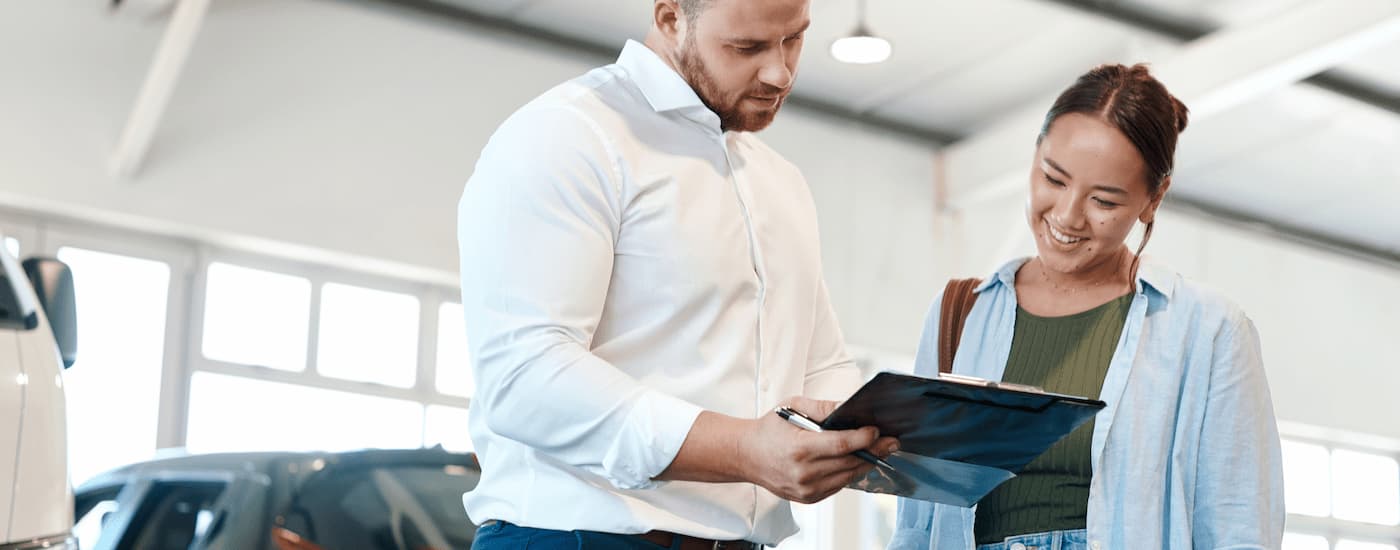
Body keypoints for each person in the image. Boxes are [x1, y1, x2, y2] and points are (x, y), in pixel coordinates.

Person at [456, 0, 898, 548]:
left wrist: (860, 433)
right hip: (572, 536)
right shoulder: (567, 134)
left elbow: (822, 363)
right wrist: (744, 450)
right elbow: (524, 378)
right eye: (747, 47)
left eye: (795, 38)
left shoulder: (781, 182)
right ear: (670, 19)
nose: (780, 72)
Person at [888, 64, 1285, 550]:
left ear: (1152, 199)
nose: (1067, 216)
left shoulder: (1210, 332)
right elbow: (917, 525)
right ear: (1035, 155)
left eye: (1103, 200)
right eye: (1053, 179)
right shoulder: (960, 314)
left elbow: (1238, 528)